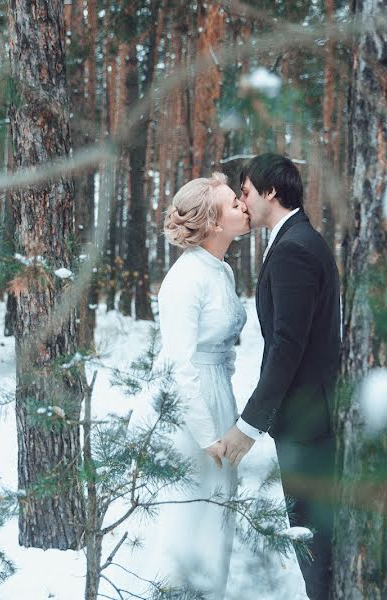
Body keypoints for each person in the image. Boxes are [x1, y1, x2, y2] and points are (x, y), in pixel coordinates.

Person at [220, 153, 340, 600]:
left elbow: (288, 347)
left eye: (247, 192)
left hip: (309, 423)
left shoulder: (293, 250)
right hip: (315, 417)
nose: (243, 203)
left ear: (271, 191)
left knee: (316, 543)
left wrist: (249, 425)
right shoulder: (297, 241)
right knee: (318, 539)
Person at [149, 172, 251, 599]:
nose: (244, 206)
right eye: (234, 204)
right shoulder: (185, 279)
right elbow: (177, 367)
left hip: (218, 394)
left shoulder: (220, 270)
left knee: (216, 520)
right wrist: (207, 435)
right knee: (184, 524)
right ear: (211, 223)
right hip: (187, 411)